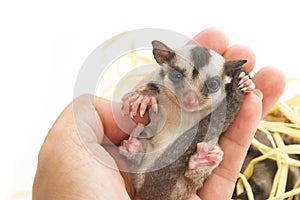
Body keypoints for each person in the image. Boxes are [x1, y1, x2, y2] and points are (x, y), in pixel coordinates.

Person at [32, 28, 285, 200]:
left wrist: (248, 87)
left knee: (210, 153)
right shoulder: (159, 90)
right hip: (146, 160)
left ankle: (194, 166)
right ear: (163, 62)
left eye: (209, 86)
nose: (189, 96)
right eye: (178, 77)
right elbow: (144, 99)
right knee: (151, 138)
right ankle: (141, 151)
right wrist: (142, 96)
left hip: (179, 175)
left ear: (225, 80)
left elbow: (250, 97)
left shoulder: (219, 105)